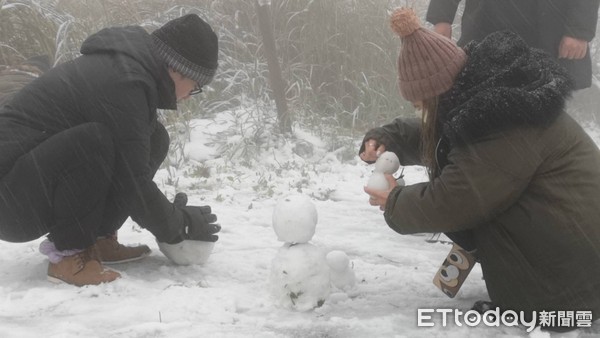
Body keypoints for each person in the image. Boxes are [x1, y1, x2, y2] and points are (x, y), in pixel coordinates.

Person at [361, 8, 600, 330]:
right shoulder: (492, 101)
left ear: (440, 93)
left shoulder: (505, 122)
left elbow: (455, 200)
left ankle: (545, 306)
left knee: (476, 201)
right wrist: (389, 137)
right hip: (579, 262)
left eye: (421, 105)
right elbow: (444, 136)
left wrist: (394, 200)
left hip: (573, 288)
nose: (420, 112)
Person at [0, 14, 221, 287]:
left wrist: (173, 220)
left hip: (24, 187)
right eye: (196, 87)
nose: (190, 95)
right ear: (177, 68)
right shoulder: (124, 81)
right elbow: (134, 181)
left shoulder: (129, 73)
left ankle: (98, 238)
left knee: (154, 138)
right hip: (10, 202)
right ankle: (69, 255)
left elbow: (130, 169)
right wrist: (180, 225)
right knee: (94, 141)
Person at [426, 0, 599, 91]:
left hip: (545, 35)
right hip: (485, 28)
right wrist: (442, 17)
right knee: (474, 110)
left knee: (543, 118)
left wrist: (579, 30)